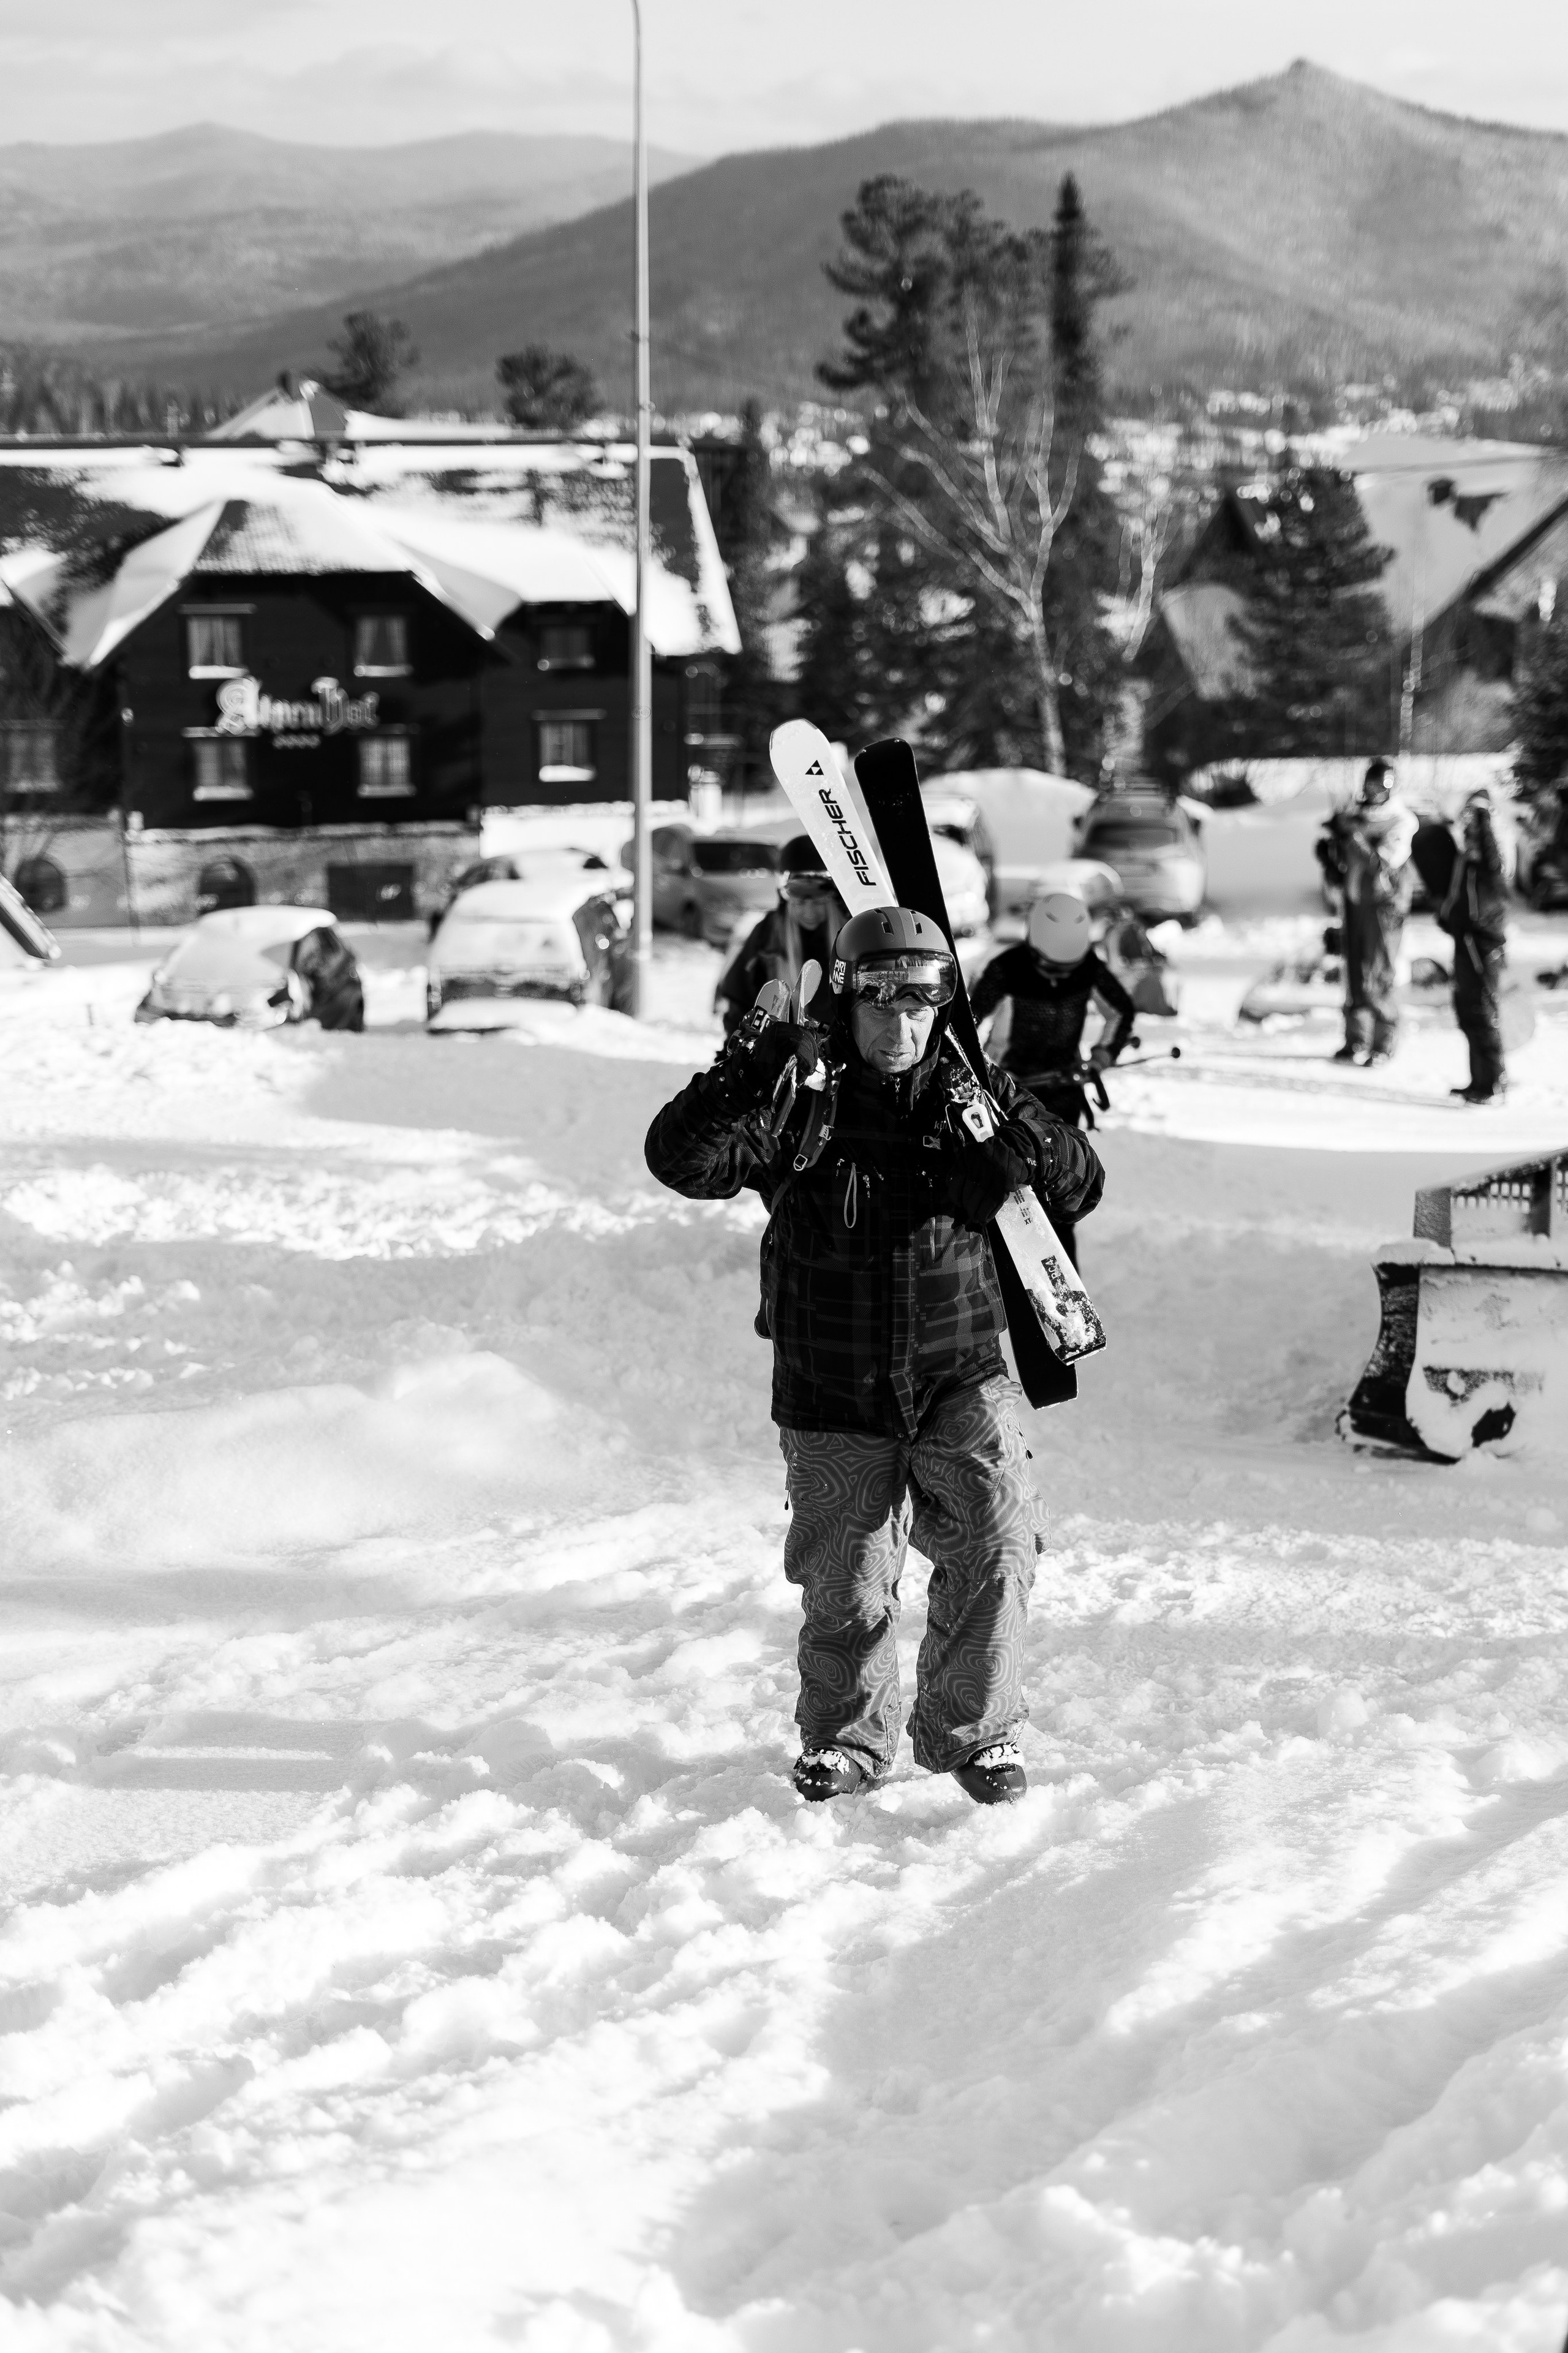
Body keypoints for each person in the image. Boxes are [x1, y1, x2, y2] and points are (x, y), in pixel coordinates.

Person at [646, 905, 1103, 1807]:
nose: (901, 1029)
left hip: (960, 1371)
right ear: (850, 1003)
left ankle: (974, 1733)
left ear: (941, 1009)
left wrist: (1026, 1148)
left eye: (920, 1009)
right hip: (830, 1384)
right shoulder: (800, 1101)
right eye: (883, 1007)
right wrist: (743, 1072)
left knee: (998, 1545)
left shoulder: (977, 1095)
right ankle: (846, 1741)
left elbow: (1083, 1179)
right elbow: (681, 1162)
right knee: (847, 1587)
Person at [969, 892, 1134, 1266]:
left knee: (1060, 1194)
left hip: (1061, 1096)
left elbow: (1120, 1012)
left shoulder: (1089, 968)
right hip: (1008, 1100)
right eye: (1050, 967)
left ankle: (1061, 1279)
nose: (1060, 976)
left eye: (1069, 968)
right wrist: (976, 1074)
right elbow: (966, 1026)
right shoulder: (1006, 969)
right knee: (1005, 1191)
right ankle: (1001, 1272)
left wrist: (1104, 1054)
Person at [1411, 788, 1512, 1103]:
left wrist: (1484, 820)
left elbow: (1492, 863)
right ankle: (1478, 1080)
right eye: (1467, 816)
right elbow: (1455, 897)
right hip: (1464, 940)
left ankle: (1494, 1082)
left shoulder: (1491, 858)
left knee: (1483, 1011)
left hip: (1483, 945)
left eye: (1475, 817)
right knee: (1467, 1011)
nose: (1469, 824)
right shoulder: (1465, 859)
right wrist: (1447, 917)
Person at [1315, 758, 1416, 1065]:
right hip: (1355, 904)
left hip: (1383, 909)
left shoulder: (1400, 821)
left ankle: (1383, 1043)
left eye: (1379, 787)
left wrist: (1353, 838)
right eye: (1369, 786)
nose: (1372, 793)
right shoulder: (1355, 816)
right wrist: (1332, 860)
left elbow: (1381, 863)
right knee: (1355, 973)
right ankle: (1356, 1039)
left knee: (1378, 973)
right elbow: (1347, 864)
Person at [714, 836, 847, 1033]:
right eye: (799, 902)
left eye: (820, 902)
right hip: (782, 1053)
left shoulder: (850, 936)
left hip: (839, 1055)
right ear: (785, 895)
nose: (809, 913)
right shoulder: (768, 934)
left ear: (834, 897)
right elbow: (740, 999)